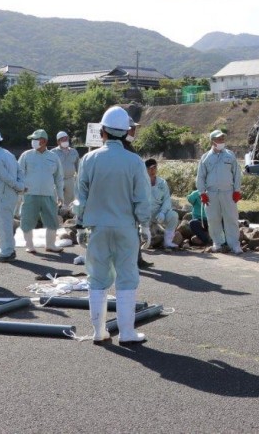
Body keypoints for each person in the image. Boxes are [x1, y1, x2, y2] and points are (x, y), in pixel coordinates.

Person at [79, 106, 151, 345]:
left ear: (103, 132)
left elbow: (81, 197)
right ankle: (127, 333)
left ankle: (98, 331)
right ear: (126, 132)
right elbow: (142, 198)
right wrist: (145, 225)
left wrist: (79, 226)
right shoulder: (135, 162)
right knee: (127, 277)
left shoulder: (88, 159)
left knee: (97, 278)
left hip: (96, 228)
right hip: (126, 227)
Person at [196, 130, 243, 254]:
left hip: (228, 192)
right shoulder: (205, 157)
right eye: (218, 139)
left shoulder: (230, 155)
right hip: (211, 193)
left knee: (231, 218)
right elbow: (200, 176)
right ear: (212, 141)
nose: (221, 141)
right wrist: (202, 193)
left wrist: (237, 190)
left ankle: (234, 245)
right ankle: (217, 243)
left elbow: (237, 174)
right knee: (213, 219)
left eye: (223, 139)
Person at [18, 128, 64, 254]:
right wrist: (20, 189)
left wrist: (60, 196)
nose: (32, 142)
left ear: (43, 141)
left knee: (52, 220)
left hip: (48, 194)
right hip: (29, 194)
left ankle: (50, 245)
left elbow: (59, 178)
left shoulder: (53, 157)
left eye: (35, 139)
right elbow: (19, 173)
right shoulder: (26, 155)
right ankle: (30, 246)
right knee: (27, 220)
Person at [0, 128, 25, 263]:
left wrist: (18, 186)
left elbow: (5, 177)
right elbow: (19, 170)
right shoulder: (8, 153)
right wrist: (20, 185)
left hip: (4, 194)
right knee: (6, 223)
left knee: (3, 225)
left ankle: (6, 252)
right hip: (12, 193)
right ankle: (9, 250)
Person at [124, 116, 154, 269]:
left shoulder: (129, 147)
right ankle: (133, 261)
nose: (134, 131)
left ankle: (137, 259)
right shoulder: (125, 150)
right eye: (132, 128)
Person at [144, 158, 179, 249]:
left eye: (154, 168)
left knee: (173, 215)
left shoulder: (162, 182)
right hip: (144, 215)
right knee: (145, 243)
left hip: (158, 213)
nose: (152, 171)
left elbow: (167, 199)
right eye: (149, 168)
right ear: (145, 169)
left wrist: (163, 212)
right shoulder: (141, 182)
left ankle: (167, 242)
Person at [51, 131, 79, 209]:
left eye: (66, 139)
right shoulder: (53, 152)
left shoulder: (74, 151)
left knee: (70, 200)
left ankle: (67, 216)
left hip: (70, 179)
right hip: (57, 180)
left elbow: (78, 166)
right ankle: (56, 215)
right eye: (63, 140)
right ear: (58, 141)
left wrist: (78, 178)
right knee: (56, 199)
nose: (65, 141)